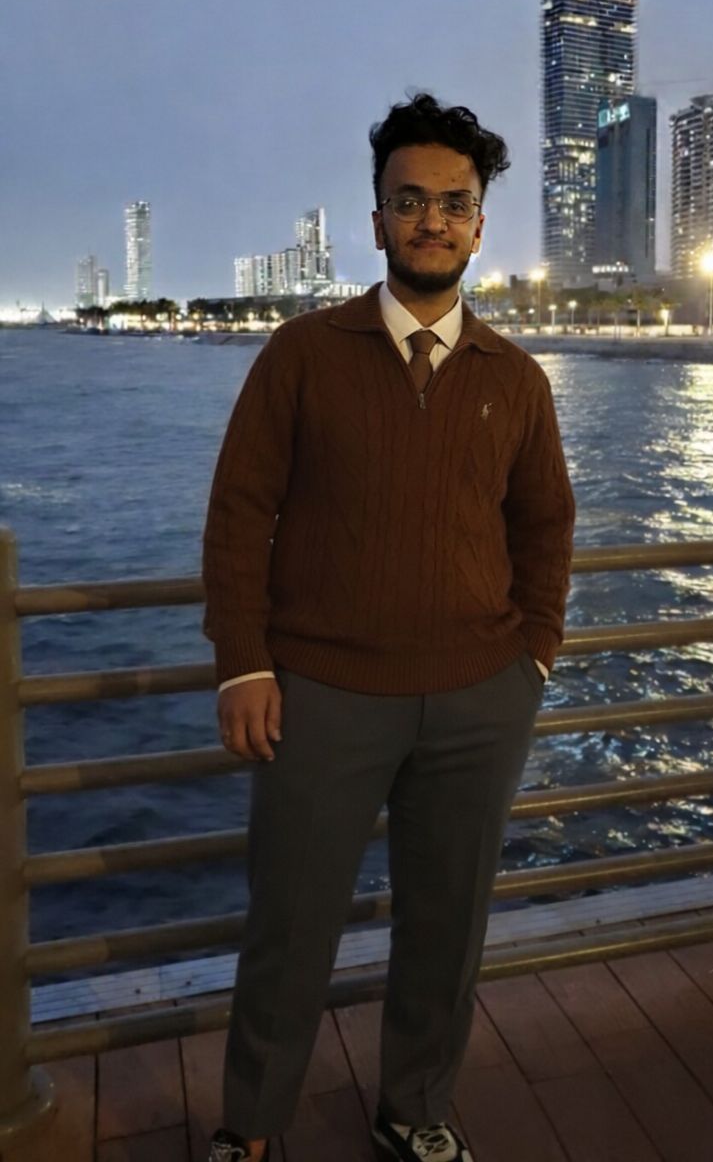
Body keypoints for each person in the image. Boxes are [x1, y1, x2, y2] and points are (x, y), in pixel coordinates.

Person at [203, 93, 575, 1162]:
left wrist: (533, 658)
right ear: (375, 220)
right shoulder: (302, 354)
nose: (431, 221)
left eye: (453, 204)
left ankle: (415, 1110)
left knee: (446, 928)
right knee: (290, 926)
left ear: (479, 225)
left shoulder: (515, 378)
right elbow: (240, 514)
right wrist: (244, 665)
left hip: (477, 698)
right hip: (319, 698)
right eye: (409, 201)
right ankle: (250, 1128)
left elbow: (545, 525)